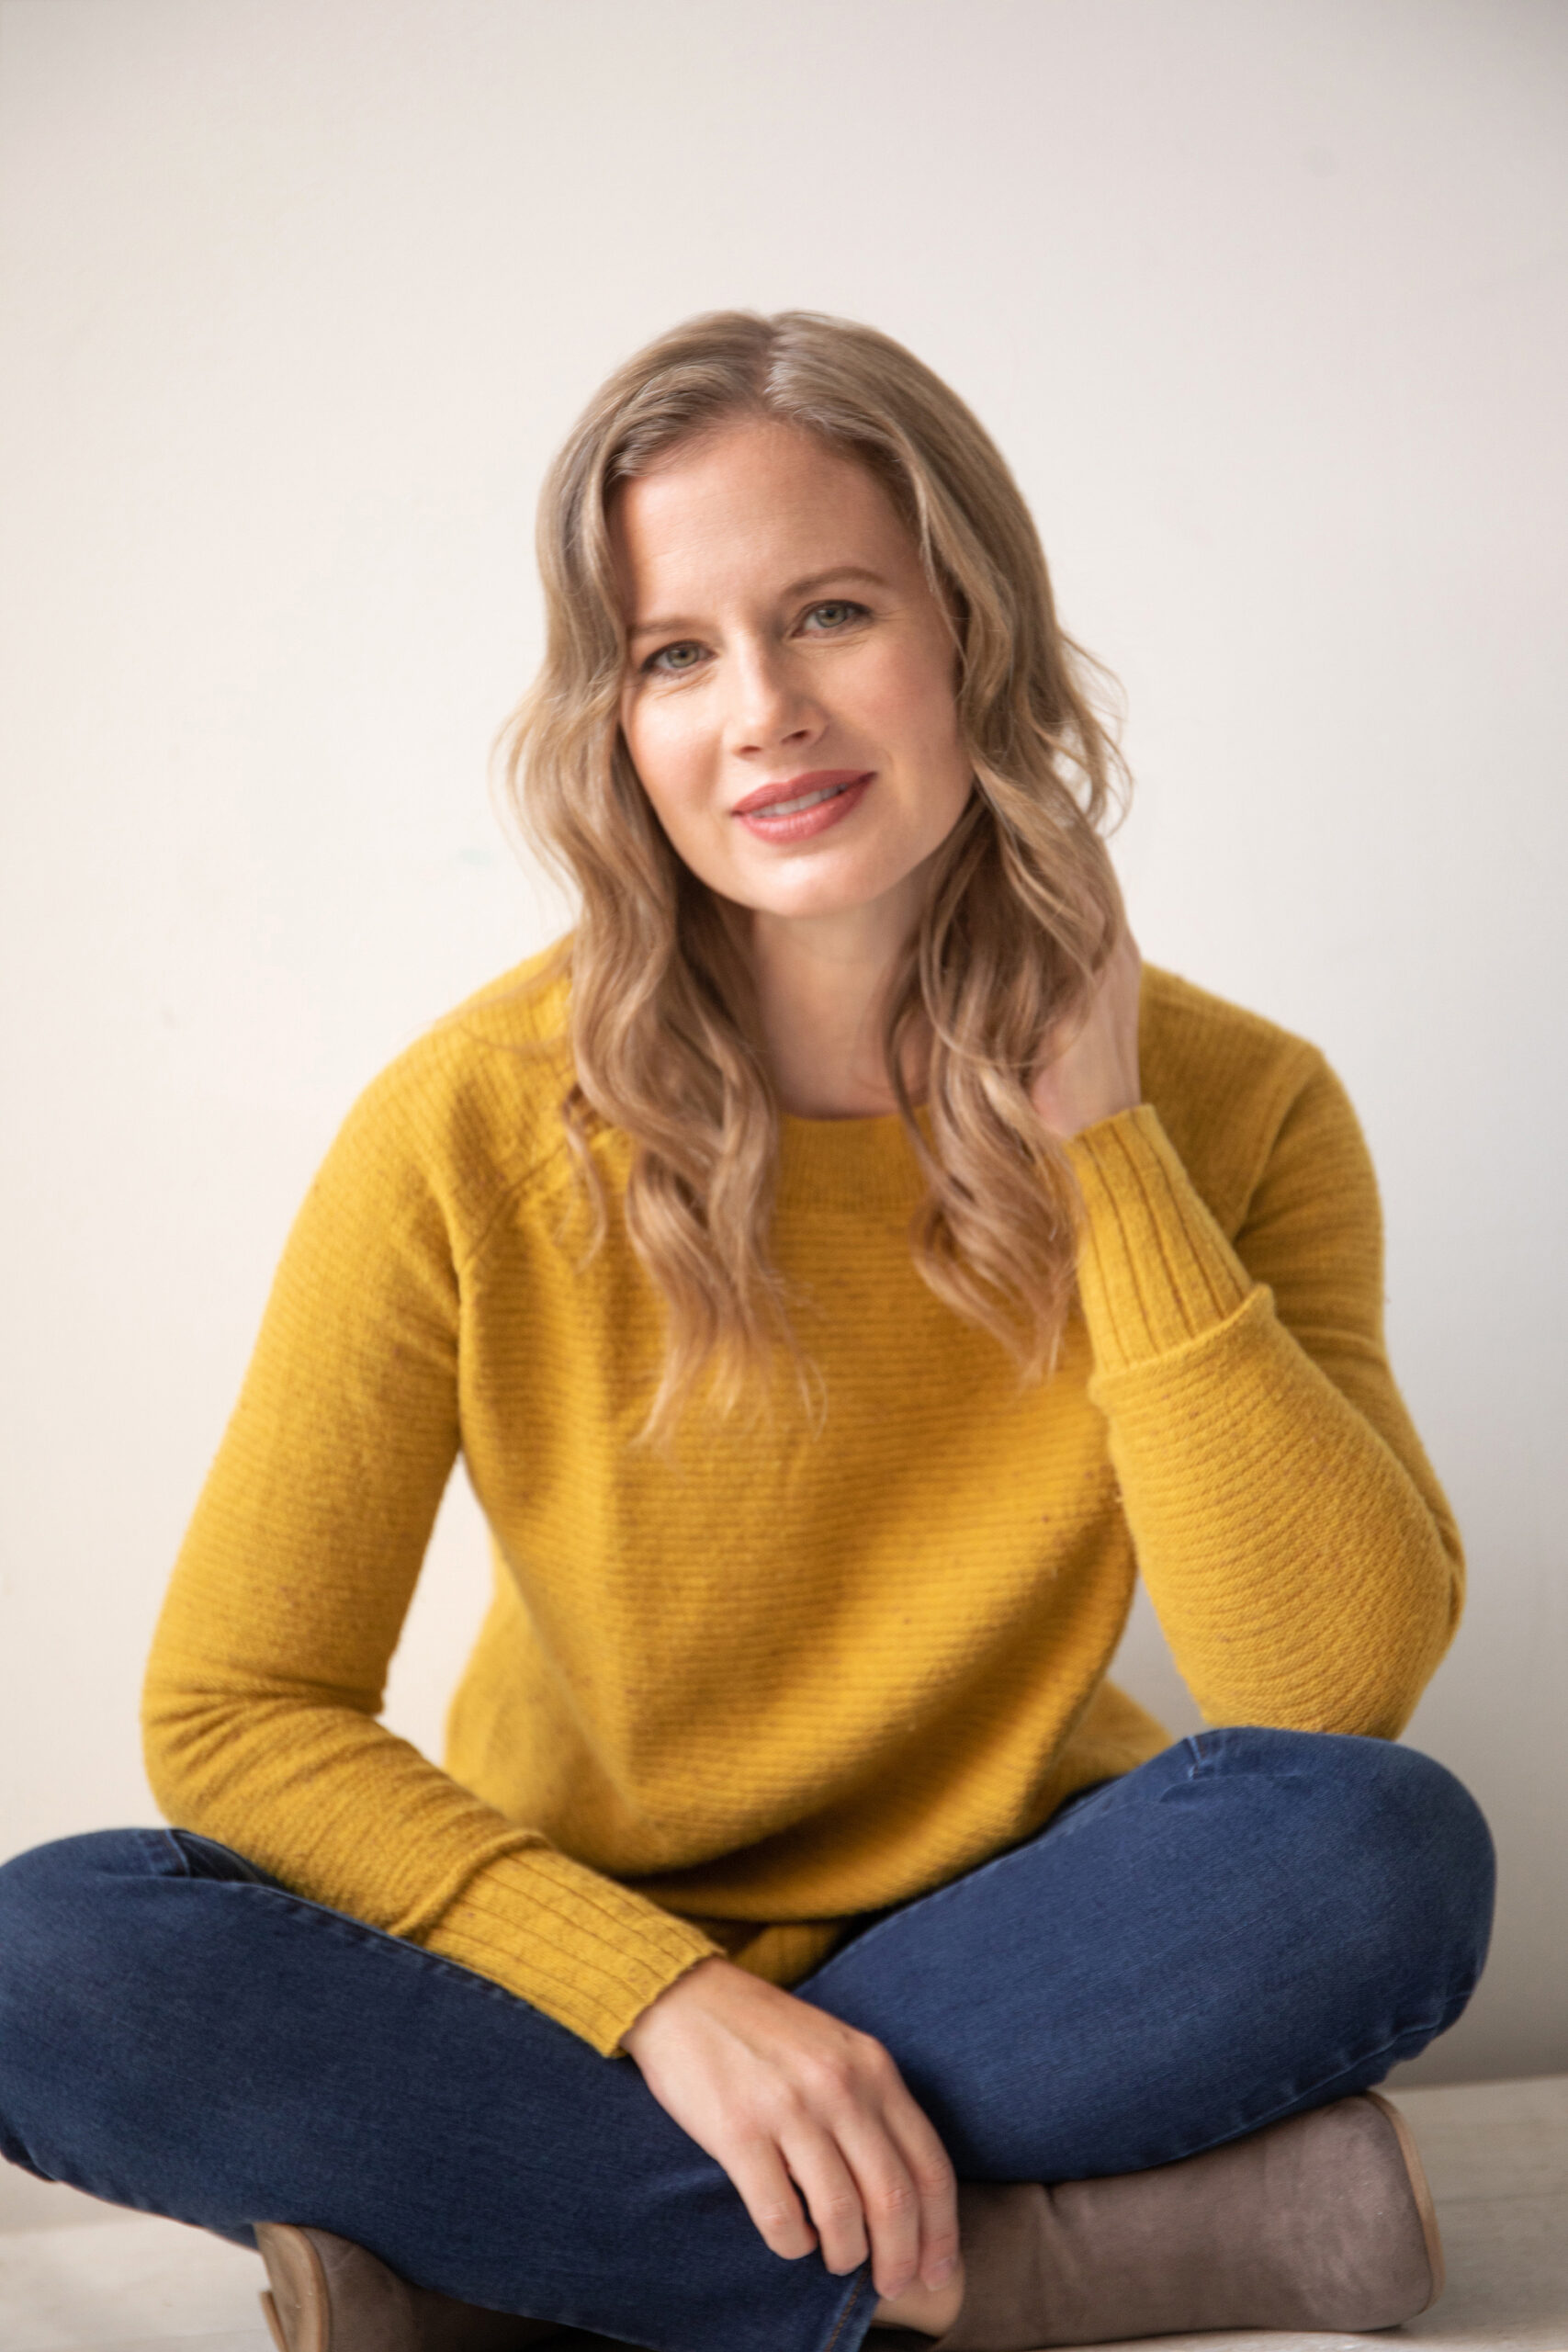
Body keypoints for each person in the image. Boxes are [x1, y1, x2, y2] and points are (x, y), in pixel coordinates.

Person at [0, 311, 1494, 2352]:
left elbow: (1322, 1687)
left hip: (1014, 1949)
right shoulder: (467, 1123)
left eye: (830, 614)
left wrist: (1104, 1140)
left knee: (1375, 1852)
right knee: (43, 1954)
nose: (766, 712)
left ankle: (516, 2271)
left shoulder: (1243, 1108)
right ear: (613, 720)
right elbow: (241, 1709)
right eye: (674, 654)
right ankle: (1004, 2268)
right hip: (560, 1969)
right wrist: (664, 2000)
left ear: (974, 630)